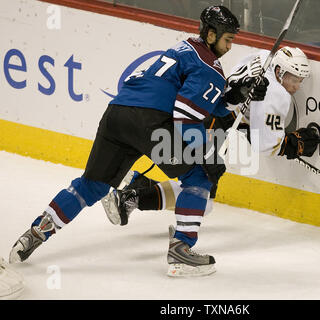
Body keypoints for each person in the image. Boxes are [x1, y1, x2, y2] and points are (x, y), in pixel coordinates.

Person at [9, 6, 269, 277]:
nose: (230, 46)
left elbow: (195, 96)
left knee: (92, 185)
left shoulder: (184, 48)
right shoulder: (210, 69)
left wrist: (233, 98)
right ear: (212, 34)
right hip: (150, 122)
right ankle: (181, 251)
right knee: (201, 176)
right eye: (228, 39)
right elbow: (185, 117)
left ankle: (36, 232)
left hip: (117, 115)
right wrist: (207, 155)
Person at [102, 46, 320, 226]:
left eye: (300, 80)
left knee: (198, 187)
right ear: (280, 71)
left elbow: (240, 99)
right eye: (294, 79)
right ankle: (131, 198)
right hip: (208, 126)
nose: (297, 86)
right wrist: (294, 145)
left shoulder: (263, 57)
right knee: (202, 198)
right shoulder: (276, 95)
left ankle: (138, 183)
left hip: (205, 110)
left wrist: (249, 122)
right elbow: (266, 144)